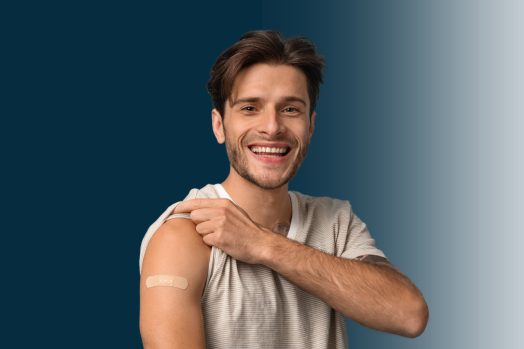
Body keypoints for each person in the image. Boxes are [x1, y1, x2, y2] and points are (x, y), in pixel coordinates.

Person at [139, 30, 428, 348]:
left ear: (311, 126)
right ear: (219, 125)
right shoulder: (182, 237)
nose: (272, 126)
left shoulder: (336, 221)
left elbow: (409, 315)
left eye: (290, 109)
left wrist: (261, 245)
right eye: (250, 108)